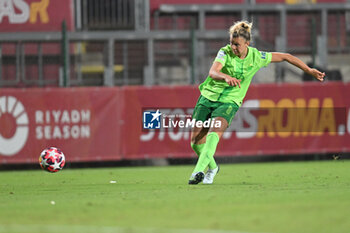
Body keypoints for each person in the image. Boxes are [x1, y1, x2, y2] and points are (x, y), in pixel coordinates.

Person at [188, 20, 325, 185]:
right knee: (195, 143)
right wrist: (226, 77)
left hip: (230, 101)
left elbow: (285, 57)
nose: (233, 47)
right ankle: (213, 167)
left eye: (237, 45)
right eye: (231, 43)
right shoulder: (224, 52)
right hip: (208, 96)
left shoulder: (257, 56)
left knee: (214, 133)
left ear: (247, 43)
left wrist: (308, 70)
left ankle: (197, 172)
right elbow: (213, 72)